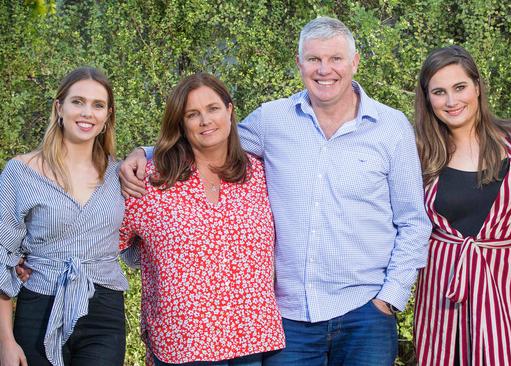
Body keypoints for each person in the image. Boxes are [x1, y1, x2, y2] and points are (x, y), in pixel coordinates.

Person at [119, 16, 432, 366]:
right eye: (314, 59)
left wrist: (391, 296)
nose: (324, 69)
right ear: (300, 65)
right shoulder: (273, 120)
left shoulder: (391, 128)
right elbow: (211, 137)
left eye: (335, 59)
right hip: (291, 319)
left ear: (355, 62)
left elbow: (413, 222)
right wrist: (145, 154)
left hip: (365, 311)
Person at [118, 73, 284, 365]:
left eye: (213, 109)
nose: (205, 120)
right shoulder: (153, 179)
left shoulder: (259, 173)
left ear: (230, 111)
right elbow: (104, 237)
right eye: (192, 114)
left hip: (252, 340)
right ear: (181, 124)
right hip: (183, 344)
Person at [412, 46, 511, 366]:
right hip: (443, 300)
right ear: (428, 99)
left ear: (477, 87)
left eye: (460, 87)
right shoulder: (419, 154)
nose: (451, 101)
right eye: (439, 92)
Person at [0, 67, 128, 366]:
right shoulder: (21, 172)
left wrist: (141, 151)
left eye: (98, 105)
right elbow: (2, 256)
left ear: (107, 115)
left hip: (104, 311)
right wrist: (5, 341)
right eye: (78, 102)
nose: (87, 113)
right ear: (59, 107)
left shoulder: (119, 174)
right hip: (40, 306)